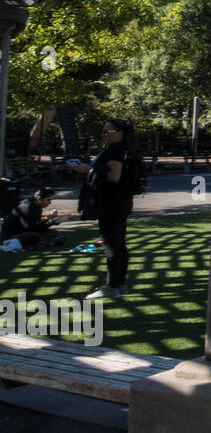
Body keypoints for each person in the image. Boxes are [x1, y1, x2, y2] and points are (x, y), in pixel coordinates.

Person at [69, 118, 138, 298]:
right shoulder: (125, 150)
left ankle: (112, 286)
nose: (103, 135)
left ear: (119, 134)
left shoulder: (116, 150)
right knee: (119, 243)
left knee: (112, 244)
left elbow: (114, 176)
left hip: (112, 202)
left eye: (107, 132)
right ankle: (119, 284)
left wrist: (87, 169)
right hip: (121, 201)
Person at [1, 186, 67, 249]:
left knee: (52, 232)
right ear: (39, 199)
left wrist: (51, 222)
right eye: (48, 200)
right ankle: (44, 244)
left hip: (24, 232)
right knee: (33, 235)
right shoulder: (27, 207)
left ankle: (41, 243)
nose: (50, 203)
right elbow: (30, 228)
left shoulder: (38, 207)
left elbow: (37, 227)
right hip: (11, 236)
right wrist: (48, 218)